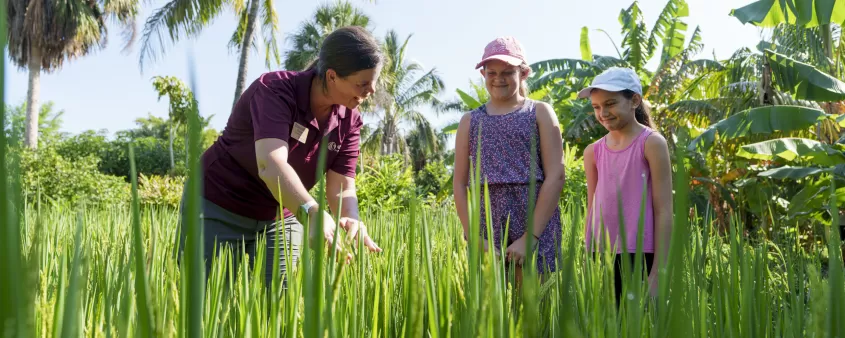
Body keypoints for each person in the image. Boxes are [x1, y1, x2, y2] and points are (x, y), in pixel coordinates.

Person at [178, 26, 383, 286]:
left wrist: (351, 218)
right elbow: (270, 164)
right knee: (207, 304)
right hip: (218, 204)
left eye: (373, 83)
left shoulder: (349, 121)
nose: (371, 91)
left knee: (278, 303)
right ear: (332, 76)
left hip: (283, 213)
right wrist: (312, 211)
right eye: (363, 83)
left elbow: (342, 187)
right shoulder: (275, 90)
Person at [453, 36, 566, 277]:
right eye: (491, 72)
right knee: (491, 305)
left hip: (535, 215)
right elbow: (460, 183)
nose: (498, 79)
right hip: (487, 221)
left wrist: (530, 237)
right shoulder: (470, 121)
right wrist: (473, 234)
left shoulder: (540, 112)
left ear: (523, 73)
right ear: (483, 74)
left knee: (535, 299)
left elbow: (556, 174)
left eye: (507, 72)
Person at [579, 67, 673, 302]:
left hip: (640, 254)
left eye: (610, 104)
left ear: (634, 101)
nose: (603, 113)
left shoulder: (651, 143)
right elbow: (592, 208)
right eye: (596, 107)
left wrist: (658, 274)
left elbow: (664, 211)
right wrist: (586, 255)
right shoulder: (593, 152)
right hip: (599, 255)